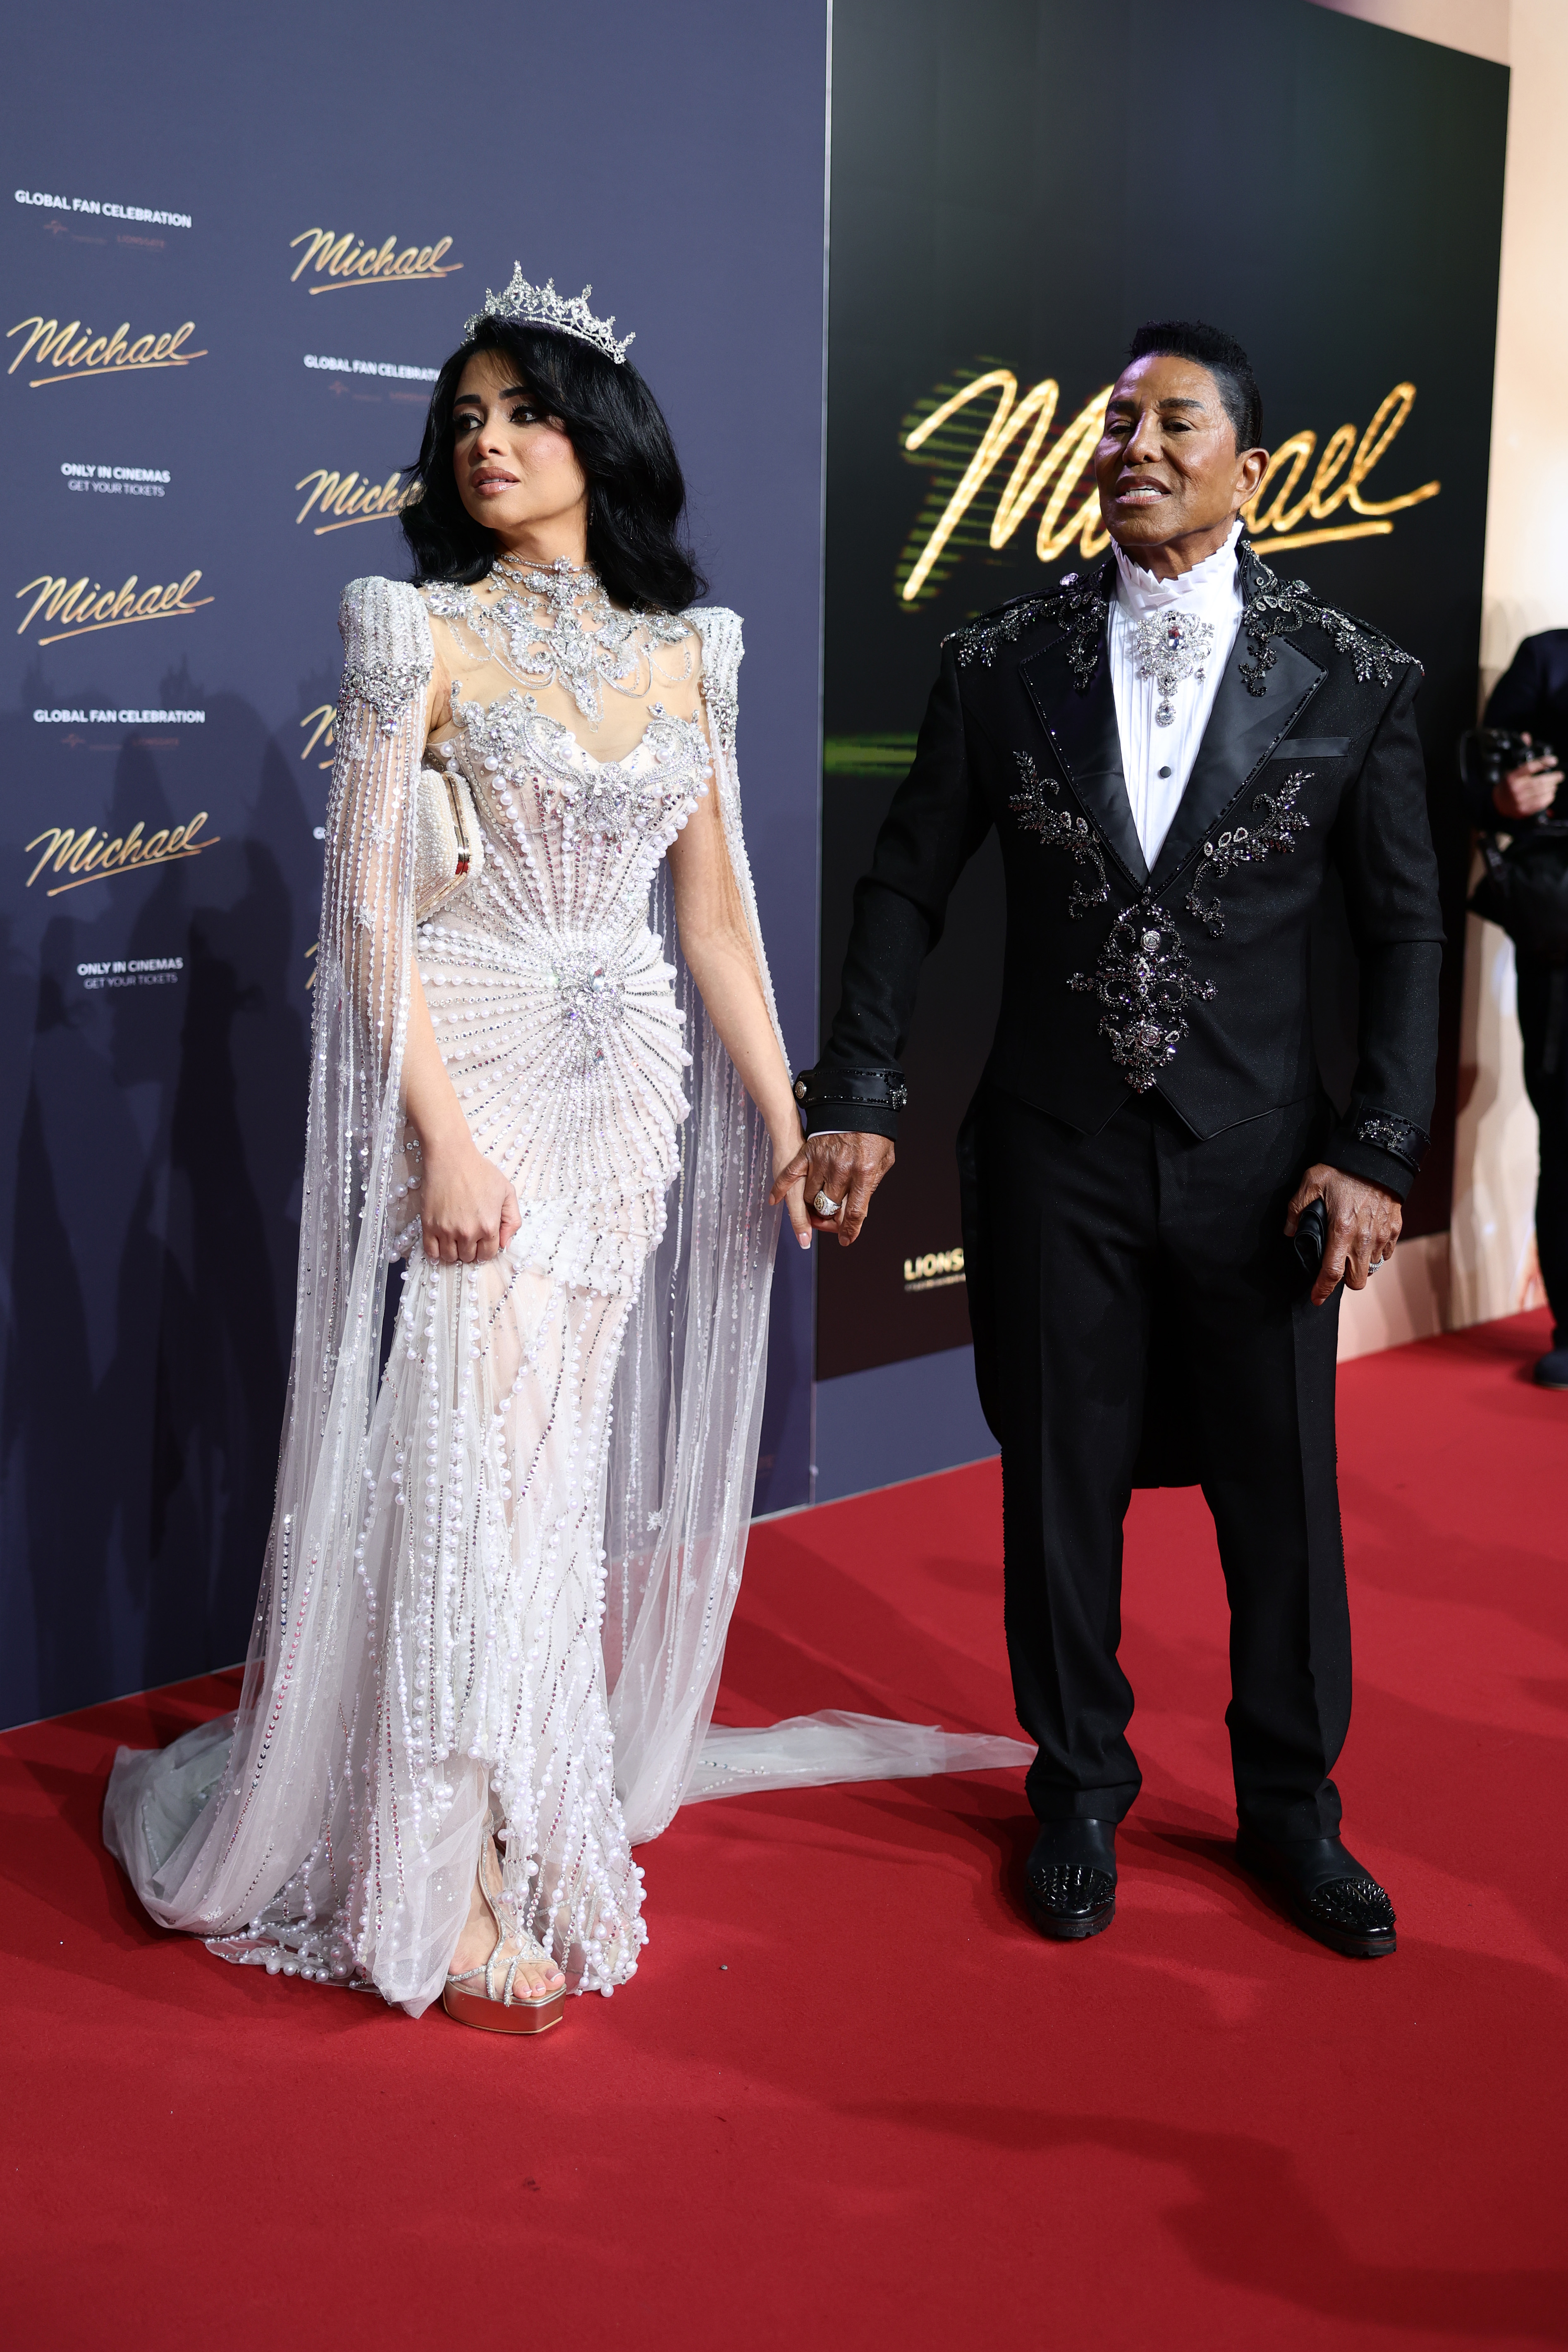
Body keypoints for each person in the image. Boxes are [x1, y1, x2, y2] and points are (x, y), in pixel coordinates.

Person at [103, 272, 1028, 2031]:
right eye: (463, 421)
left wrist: (791, 1112)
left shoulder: (696, 651)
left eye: (520, 413)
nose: (488, 445)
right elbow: (370, 918)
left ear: (597, 435)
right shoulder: (414, 631)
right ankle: (433, 1888)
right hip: (484, 1068)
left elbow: (725, 926)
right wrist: (437, 1139)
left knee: (540, 1491)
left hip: (630, 1101)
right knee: (465, 1467)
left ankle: (511, 1814)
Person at [777, 320, 1443, 1960]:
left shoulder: (1359, 677)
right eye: (1116, 423)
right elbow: (905, 885)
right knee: (1058, 1484)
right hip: (1056, 1146)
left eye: (1174, 422)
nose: (1133, 447)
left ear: (1252, 466)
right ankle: (1075, 1791)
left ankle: (1293, 1809)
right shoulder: (997, 662)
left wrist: (1376, 1145)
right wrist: (858, 1087)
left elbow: (1412, 933)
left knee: (1282, 1501)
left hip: (1265, 1161)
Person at [1464, 638, 1568, 1389]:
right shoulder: (1550, 661)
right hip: (1563, 922)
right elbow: (1477, 780)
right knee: (1565, 1126)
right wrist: (1503, 798)